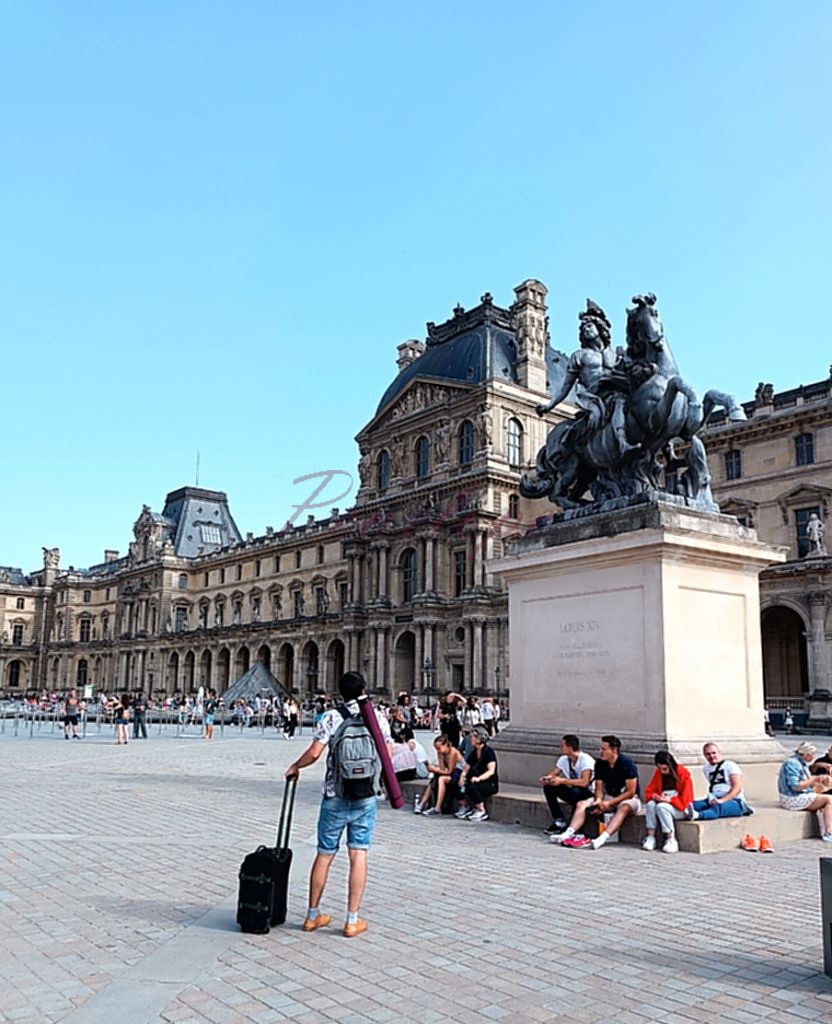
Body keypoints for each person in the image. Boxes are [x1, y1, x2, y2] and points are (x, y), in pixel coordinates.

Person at [285, 672, 391, 938]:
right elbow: (387, 754)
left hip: (335, 794)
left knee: (324, 853)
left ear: (340, 693)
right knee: (358, 854)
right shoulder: (377, 716)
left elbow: (314, 753)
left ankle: (312, 916)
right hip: (365, 795)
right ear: (364, 690)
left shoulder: (331, 716)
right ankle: (352, 920)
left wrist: (296, 766)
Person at [554, 735, 641, 849]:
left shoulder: (627, 764)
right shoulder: (600, 763)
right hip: (609, 795)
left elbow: (630, 792)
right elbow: (599, 787)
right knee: (582, 804)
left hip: (629, 798)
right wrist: (598, 800)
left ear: (614, 750)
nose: (600, 752)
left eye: (604, 749)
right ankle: (568, 833)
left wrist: (610, 803)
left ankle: (603, 838)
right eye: (600, 748)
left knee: (624, 807)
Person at [538, 734, 595, 836]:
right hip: (572, 790)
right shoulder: (563, 759)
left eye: (562, 746)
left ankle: (572, 825)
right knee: (549, 787)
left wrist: (562, 781)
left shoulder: (586, 760)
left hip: (588, 793)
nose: (561, 748)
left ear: (570, 747)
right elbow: (554, 773)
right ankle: (558, 820)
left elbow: (584, 782)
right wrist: (548, 779)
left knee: (576, 791)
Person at [641, 750, 694, 854]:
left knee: (662, 807)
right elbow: (649, 791)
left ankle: (671, 838)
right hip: (663, 802)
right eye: (659, 768)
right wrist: (655, 796)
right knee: (651, 805)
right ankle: (650, 836)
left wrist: (669, 800)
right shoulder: (658, 774)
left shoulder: (683, 774)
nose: (662, 772)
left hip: (680, 808)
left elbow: (686, 800)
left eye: (664, 769)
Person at [778, 742, 832, 842]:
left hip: (801, 794)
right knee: (829, 799)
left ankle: (828, 830)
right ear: (807, 754)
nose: (814, 757)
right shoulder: (792, 763)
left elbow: (806, 782)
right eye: (813, 754)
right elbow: (796, 786)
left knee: (826, 798)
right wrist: (814, 779)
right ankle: (829, 832)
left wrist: (819, 781)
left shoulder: (801, 763)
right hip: (792, 797)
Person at [687, 743, 750, 820]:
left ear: (719, 753)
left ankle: (698, 815)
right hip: (714, 798)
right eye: (708, 754)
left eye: (714, 753)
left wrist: (722, 800)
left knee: (717, 808)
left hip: (735, 801)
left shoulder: (730, 765)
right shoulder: (706, 769)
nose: (711, 756)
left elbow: (737, 788)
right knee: (693, 805)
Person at [455, 726, 499, 822]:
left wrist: (479, 778)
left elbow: (491, 771)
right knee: (456, 783)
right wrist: (462, 777)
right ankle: (465, 806)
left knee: (472, 787)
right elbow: (466, 768)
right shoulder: (474, 753)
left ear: (479, 739)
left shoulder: (488, 752)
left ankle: (481, 810)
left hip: (489, 782)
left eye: (472, 737)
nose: (470, 739)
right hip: (475, 779)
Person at [415, 735, 465, 815]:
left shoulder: (453, 752)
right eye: (436, 748)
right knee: (435, 779)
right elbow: (442, 769)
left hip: (458, 774)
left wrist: (435, 770)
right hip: (452, 774)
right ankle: (422, 803)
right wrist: (433, 768)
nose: (438, 750)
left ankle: (437, 807)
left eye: (439, 748)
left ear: (445, 745)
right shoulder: (440, 753)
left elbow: (450, 771)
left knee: (441, 779)